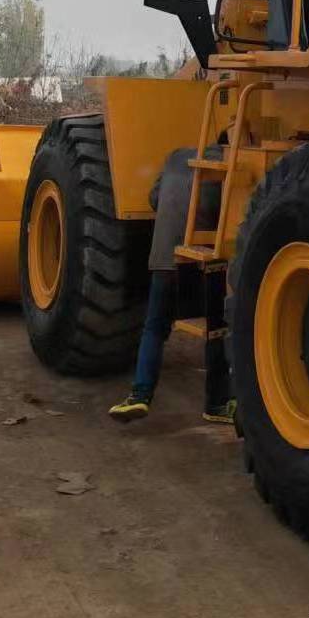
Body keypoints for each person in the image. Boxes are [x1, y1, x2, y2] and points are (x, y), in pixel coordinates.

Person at [109, 149, 233, 424]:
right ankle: (217, 403)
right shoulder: (229, 162)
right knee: (218, 330)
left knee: (154, 328)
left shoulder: (175, 158)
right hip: (202, 261)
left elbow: (154, 199)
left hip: (164, 257)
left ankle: (139, 396)